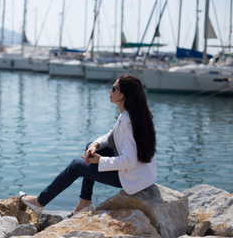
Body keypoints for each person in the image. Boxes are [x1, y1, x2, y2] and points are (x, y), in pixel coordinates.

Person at [19, 74, 157, 216]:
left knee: (76, 166)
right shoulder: (132, 115)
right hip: (141, 173)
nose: (110, 92)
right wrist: (95, 145)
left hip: (132, 178)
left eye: (114, 89)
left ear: (123, 95)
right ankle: (85, 202)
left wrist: (100, 161)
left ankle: (39, 202)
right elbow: (112, 135)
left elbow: (129, 160)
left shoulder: (129, 121)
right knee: (89, 148)